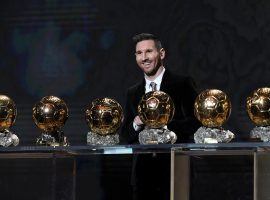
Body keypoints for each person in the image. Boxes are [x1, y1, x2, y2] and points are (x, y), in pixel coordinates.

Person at [120, 33, 200, 200]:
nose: (144, 58)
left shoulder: (182, 84)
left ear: (161, 53)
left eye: (149, 51)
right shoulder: (132, 93)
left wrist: (161, 125)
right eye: (139, 53)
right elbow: (126, 135)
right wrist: (136, 123)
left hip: (176, 171)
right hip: (143, 177)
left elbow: (196, 122)